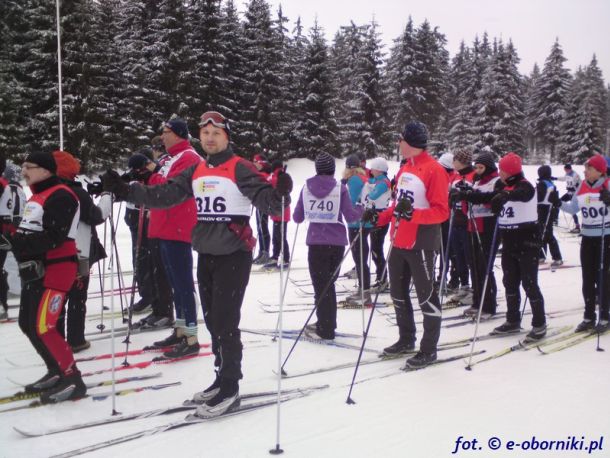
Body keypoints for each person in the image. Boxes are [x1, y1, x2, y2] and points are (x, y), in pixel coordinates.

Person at [101, 110, 292, 417]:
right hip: (206, 254)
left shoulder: (239, 167)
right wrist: (127, 190)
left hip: (233, 255)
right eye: (205, 133)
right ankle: (220, 377)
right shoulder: (197, 170)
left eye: (216, 133)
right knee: (213, 321)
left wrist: (280, 192)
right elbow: (165, 194)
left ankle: (230, 387)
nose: (210, 138)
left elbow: (268, 202)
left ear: (226, 136)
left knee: (225, 322)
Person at [363, 121, 449, 368]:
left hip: (421, 242)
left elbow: (442, 212)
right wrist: (379, 217)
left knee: (426, 296)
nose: (398, 143)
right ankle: (406, 339)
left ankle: (429, 349)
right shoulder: (404, 169)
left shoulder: (434, 170)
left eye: (400, 139)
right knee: (398, 294)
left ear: (410, 142)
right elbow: (397, 205)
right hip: (398, 240)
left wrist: (413, 215)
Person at [3, 152, 86, 403]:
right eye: (23, 166)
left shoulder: (61, 195)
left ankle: (73, 379)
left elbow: (55, 237)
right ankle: (56, 369)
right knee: (28, 324)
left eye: (29, 167)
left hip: (55, 270)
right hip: (36, 269)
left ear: (46, 170)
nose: (24, 171)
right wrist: (11, 234)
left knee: (44, 326)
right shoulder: (37, 195)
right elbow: (30, 230)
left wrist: (18, 242)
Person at [143, 117, 202, 358]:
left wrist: (151, 174)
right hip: (165, 225)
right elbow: (157, 183)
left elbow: (167, 187)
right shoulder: (170, 157)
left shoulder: (188, 156)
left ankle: (191, 336)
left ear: (178, 134)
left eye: (166, 132)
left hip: (177, 225)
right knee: (175, 283)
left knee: (183, 283)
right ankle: (180, 329)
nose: (163, 136)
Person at [293, 152, 361, 339]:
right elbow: (351, 216)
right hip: (336, 244)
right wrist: (362, 209)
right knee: (328, 284)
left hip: (316, 242)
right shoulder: (340, 188)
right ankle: (327, 323)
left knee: (321, 286)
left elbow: (297, 217)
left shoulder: (306, 188)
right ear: (332, 169)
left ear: (317, 169)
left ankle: (325, 327)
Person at [483, 153, 547, 340]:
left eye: (502, 170)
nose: (499, 173)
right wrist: (466, 195)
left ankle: (539, 323)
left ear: (510, 171)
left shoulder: (525, 185)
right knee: (509, 282)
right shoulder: (503, 186)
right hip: (509, 242)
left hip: (527, 241)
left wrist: (505, 195)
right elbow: (487, 197)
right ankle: (512, 320)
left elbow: (523, 195)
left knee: (529, 283)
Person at [51, 151, 110, 352]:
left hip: (54, 253)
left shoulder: (48, 190)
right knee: (77, 296)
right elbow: (97, 216)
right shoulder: (75, 192)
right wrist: (107, 195)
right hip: (79, 251)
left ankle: (56, 340)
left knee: (58, 297)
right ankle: (76, 340)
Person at [123, 150, 174, 330]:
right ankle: (153, 301)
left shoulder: (160, 171)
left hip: (154, 223)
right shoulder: (142, 174)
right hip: (138, 219)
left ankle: (161, 306)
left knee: (153, 265)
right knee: (142, 261)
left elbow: (164, 191)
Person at [561, 154, 610, 332]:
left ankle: (605, 317)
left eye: (589, 169)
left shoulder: (607, 184)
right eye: (585, 168)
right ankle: (589, 316)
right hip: (587, 238)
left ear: (600, 171)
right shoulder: (582, 186)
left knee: (602, 278)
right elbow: (573, 208)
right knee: (587, 278)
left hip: (605, 237)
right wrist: (557, 203)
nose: (585, 171)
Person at [451, 152, 500, 318]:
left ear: (489, 167)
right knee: (474, 266)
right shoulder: (477, 181)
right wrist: (463, 197)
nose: (478, 170)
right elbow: (468, 205)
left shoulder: (496, 181)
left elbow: (491, 200)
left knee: (484, 267)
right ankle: (477, 301)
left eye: (481, 167)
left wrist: (471, 196)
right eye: (477, 167)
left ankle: (489, 305)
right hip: (473, 225)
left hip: (488, 227)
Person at [446, 149, 476, 305]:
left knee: (470, 257)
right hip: (455, 220)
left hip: (468, 222)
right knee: (458, 256)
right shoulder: (456, 176)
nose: (453, 163)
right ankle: (464, 286)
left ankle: (475, 289)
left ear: (462, 161)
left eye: (455, 160)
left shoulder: (473, 176)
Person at [343, 153, 373, 306]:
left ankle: (365, 292)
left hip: (357, 222)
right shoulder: (362, 177)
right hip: (363, 221)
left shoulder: (354, 179)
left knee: (359, 258)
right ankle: (363, 289)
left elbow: (352, 201)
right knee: (361, 257)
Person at [0, 154, 26, 320]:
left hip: (10, 228)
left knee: (10, 262)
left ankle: (15, 290)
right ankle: (17, 289)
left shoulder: (9, 189)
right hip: (15, 228)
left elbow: (10, 213)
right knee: (13, 261)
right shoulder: (18, 190)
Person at [363, 157, 392, 291]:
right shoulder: (379, 180)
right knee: (375, 249)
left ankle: (383, 279)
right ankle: (381, 277)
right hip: (376, 216)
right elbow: (370, 182)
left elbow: (372, 196)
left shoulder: (383, 182)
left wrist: (367, 194)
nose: (371, 171)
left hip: (380, 218)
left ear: (379, 170)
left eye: (373, 169)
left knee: (376, 249)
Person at [436, 152, 459, 293]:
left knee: (450, 250)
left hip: (451, 218)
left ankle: (453, 280)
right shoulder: (441, 176)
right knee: (441, 248)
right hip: (441, 217)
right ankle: (441, 277)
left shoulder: (454, 177)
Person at [264, 160, 291, 269]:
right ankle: (275, 256)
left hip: (281, 212)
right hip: (277, 212)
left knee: (281, 237)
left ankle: (285, 259)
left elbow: (271, 183)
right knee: (276, 236)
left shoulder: (278, 177)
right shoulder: (279, 176)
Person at [536, 165, 563, 268]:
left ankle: (557, 257)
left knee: (546, 234)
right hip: (549, 209)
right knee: (543, 233)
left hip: (543, 209)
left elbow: (538, 198)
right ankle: (541, 255)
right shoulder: (550, 182)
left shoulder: (542, 183)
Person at [251, 154, 272, 265]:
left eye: (256, 161)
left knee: (263, 228)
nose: (254, 163)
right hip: (259, 204)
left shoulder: (265, 175)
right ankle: (262, 251)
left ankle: (265, 252)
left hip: (263, 205)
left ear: (262, 163)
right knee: (260, 228)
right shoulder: (259, 174)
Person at [556, 164, 582, 233]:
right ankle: (555, 220)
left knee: (572, 210)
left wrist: (574, 187)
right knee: (558, 202)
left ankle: (577, 226)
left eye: (566, 170)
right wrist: (555, 178)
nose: (565, 171)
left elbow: (579, 183)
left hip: (575, 194)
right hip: (569, 193)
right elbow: (564, 178)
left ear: (569, 169)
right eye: (564, 170)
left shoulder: (575, 175)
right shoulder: (568, 174)